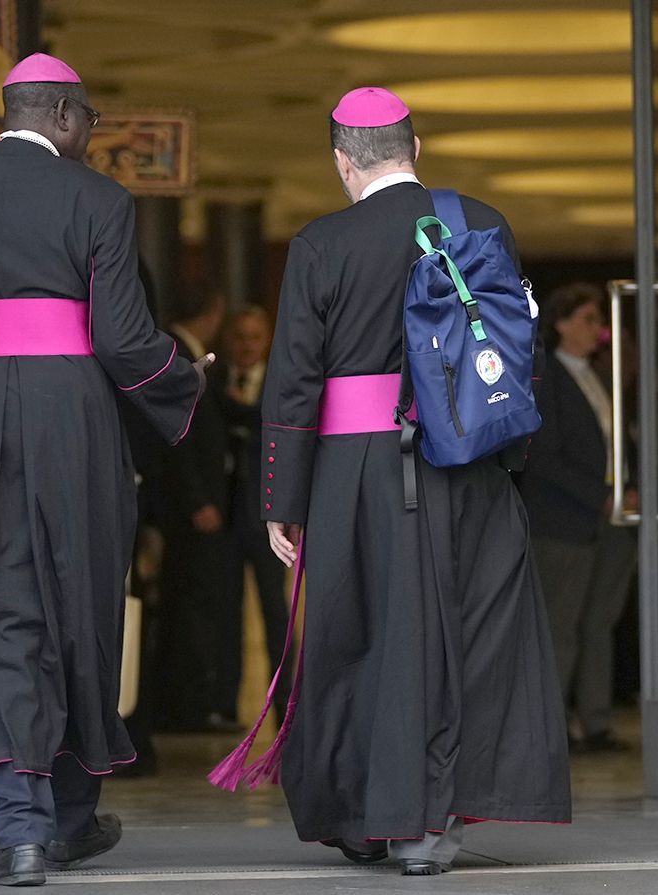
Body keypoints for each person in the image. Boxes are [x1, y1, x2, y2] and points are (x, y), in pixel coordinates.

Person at [0, 52, 209, 886]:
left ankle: (21, 829)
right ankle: (67, 816)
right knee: (79, 606)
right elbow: (124, 341)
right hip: (73, 424)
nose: (89, 136)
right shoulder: (99, 198)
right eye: (89, 121)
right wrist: (185, 382)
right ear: (63, 115)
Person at [226, 87, 570, 875]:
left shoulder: (321, 243)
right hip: (468, 464)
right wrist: (508, 462)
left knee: (362, 642)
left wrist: (283, 500)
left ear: (342, 163)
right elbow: (519, 354)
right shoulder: (480, 221)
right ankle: (436, 817)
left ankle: (370, 818)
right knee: (466, 638)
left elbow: (294, 381)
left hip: (356, 473)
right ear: (416, 148)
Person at [522, 283, 639, 753]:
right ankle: (552, 728)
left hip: (608, 517)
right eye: (589, 319)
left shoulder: (597, 376)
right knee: (561, 626)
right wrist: (601, 497)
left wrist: (627, 488)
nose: (599, 329)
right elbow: (543, 457)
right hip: (565, 522)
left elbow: (615, 442)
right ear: (562, 324)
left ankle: (596, 722)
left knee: (599, 623)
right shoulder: (546, 377)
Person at [155, 290, 236, 732]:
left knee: (191, 602)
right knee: (193, 606)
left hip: (191, 504)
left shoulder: (178, 350)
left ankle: (186, 702)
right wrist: (198, 499)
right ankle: (187, 706)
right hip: (192, 508)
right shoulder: (180, 354)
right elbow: (178, 436)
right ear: (215, 310)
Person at [218, 307, 290, 717]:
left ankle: (283, 702)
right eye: (240, 337)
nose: (246, 346)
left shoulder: (279, 386)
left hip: (267, 517)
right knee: (225, 613)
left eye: (255, 337)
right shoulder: (214, 384)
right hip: (225, 518)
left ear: (267, 341)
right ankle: (225, 704)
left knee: (275, 611)